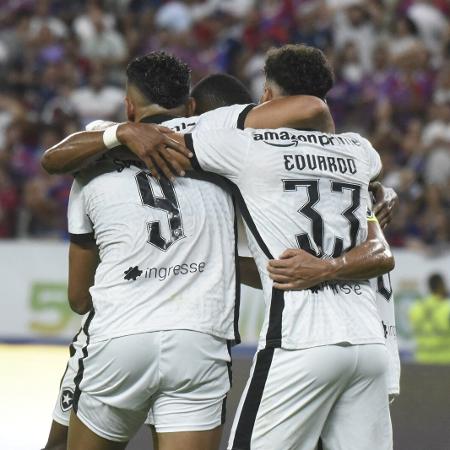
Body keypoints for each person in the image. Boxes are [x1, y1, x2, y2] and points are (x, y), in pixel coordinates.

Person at [43, 48, 395, 450]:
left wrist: (121, 136)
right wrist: (374, 194)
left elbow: (76, 293)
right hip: (217, 338)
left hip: (127, 332)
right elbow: (342, 159)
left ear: (128, 107)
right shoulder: (341, 149)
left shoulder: (226, 148)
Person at [165, 44, 395, 450]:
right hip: (368, 345)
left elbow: (165, 140)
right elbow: (373, 184)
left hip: (300, 338)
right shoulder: (360, 151)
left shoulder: (247, 148)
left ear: (268, 96)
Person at [409, 273, 450, 364]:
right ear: (440, 285)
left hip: (422, 362)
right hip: (445, 363)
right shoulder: (447, 308)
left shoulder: (416, 308)